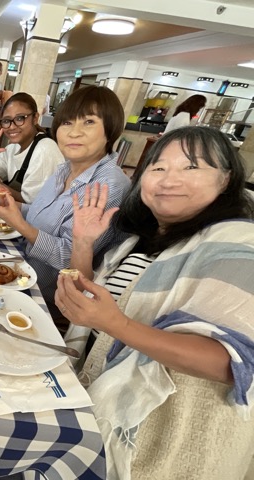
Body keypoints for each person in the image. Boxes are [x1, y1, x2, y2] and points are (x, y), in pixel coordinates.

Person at [56, 126, 254, 479]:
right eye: (158, 167)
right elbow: (91, 307)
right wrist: (83, 242)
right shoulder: (135, 243)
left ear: (226, 179)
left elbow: (230, 362)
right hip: (92, 398)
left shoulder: (238, 244)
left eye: (191, 167)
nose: (168, 179)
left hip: (162, 441)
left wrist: (116, 324)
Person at [0, 86, 131, 319]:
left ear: (111, 128)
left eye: (88, 122)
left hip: (45, 299)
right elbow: (40, 213)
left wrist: (20, 225)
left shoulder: (109, 186)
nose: (74, 132)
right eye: (67, 123)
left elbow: (72, 260)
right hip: (20, 268)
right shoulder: (64, 169)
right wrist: (15, 207)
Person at [0, 92, 63, 203]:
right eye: (6, 121)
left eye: (19, 118)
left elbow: (33, 204)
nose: (12, 127)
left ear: (35, 118)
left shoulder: (45, 150)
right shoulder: (13, 148)